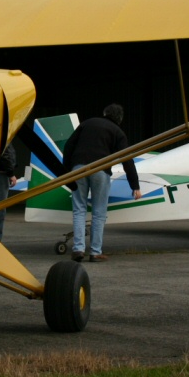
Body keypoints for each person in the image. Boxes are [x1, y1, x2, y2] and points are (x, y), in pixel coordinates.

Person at [62, 103, 141, 262]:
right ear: (120, 119)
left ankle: (78, 249)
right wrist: (135, 186)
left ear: (105, 113)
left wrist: (66, 172)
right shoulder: (118, 132)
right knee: (99, 212)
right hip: (100, 170)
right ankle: (95, 252)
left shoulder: (87, 123)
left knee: (79, 209)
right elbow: (127, 159)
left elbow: (68, 146)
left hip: (78, 168)